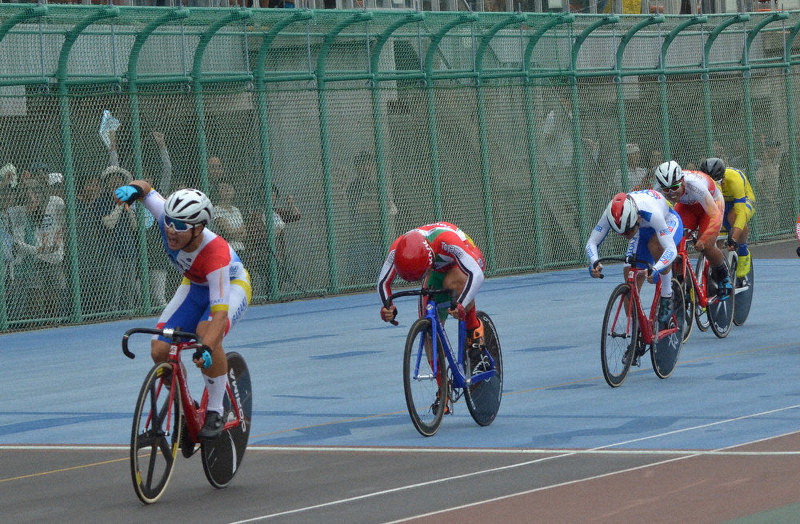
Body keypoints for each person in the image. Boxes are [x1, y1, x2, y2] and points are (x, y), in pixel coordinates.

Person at [113, 182, 251, 440]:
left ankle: (215, 410)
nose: (170, 231)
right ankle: (187, 405)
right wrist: (132, 188)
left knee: (205, 332)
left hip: (230, 287)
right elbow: (146, 188)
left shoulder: (215, 254)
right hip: (194, 284)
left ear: (198, 229)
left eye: (179, 227)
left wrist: (207, 348)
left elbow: (219, 315)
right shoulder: (169, 218)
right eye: (169, 223)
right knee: (160, 350)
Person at [377, 222, 487, 378]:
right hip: (436, 269)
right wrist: (387, 307)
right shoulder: (397, 249)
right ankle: (443, 395)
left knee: (452, 284)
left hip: (465, 259)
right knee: (428, 329)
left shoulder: (446, 240)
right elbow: (383, 282)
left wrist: (461, 304)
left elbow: (476, 275)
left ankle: (474, 332)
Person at [586, 190, 683, 325]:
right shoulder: (611, 214)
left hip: (667, 221)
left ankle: (667, 295)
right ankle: (636, 330)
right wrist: (594, 262)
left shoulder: (652, 212)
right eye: (621, 233)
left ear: (637, 218)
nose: (626, 235)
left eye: (629, 231)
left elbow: (671, 250)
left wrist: (656, 268)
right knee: (630, 275)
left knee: (656, 245)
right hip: (642, 230)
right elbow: (592, 242)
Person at [652, 160, 731, 297]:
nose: (671, 193)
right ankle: (683, 283)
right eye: (666, 189)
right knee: (673, 243)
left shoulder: (695, 186)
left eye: (675, 187)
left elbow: (715, 216)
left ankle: (723, 274)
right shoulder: (656, 189)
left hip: (711, 204)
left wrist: (705, 238)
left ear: (682, 181)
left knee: (706, 245)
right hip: (687, 207)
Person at [699, 157, 755, 281]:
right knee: (715, 242)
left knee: (733, 217)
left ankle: (744, 252)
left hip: (742, 201)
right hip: (721, 203)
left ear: (724, 177)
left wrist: (734, 238)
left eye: (718, 182)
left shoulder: (734, 180)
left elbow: (741, 213)